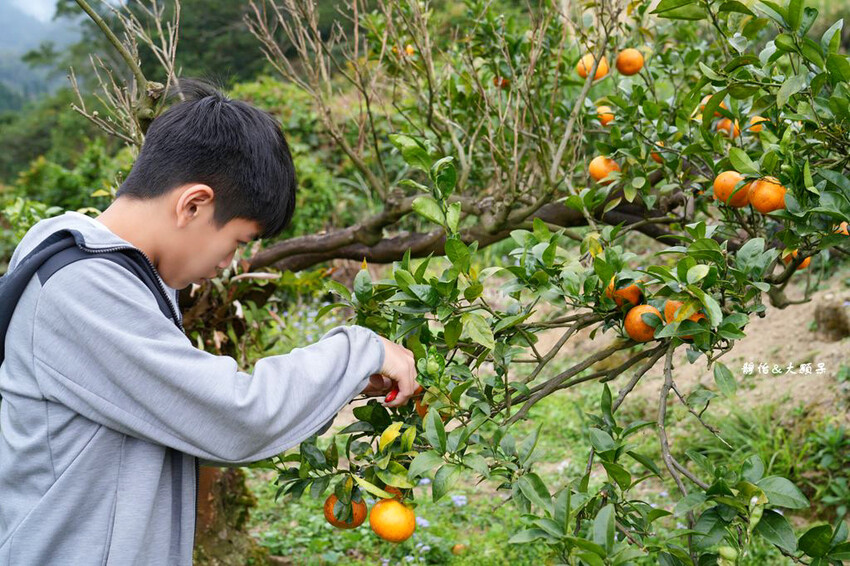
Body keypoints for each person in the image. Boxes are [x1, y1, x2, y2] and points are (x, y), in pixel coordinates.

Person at [0, 78, 418, 565]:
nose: (228, 264)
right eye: (239, 242)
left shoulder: (107, 273)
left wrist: (342, 383)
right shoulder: (82, 290)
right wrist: (358, 349)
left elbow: (196, 422)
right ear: (193, 204)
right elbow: (236, 417)